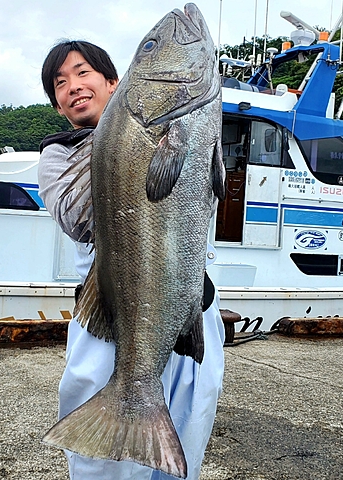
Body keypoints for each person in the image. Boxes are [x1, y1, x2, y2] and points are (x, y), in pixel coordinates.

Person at [38, 40, 225, 480]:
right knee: (107, 466)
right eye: (59, 84)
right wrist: (123, 153)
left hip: (191, 308)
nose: (72, 87)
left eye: (82, 73)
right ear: (58, 105)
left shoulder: (185, 119)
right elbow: (76, 219)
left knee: (187, 431)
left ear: (115, 83)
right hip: (115, 316)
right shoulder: (57, 155)